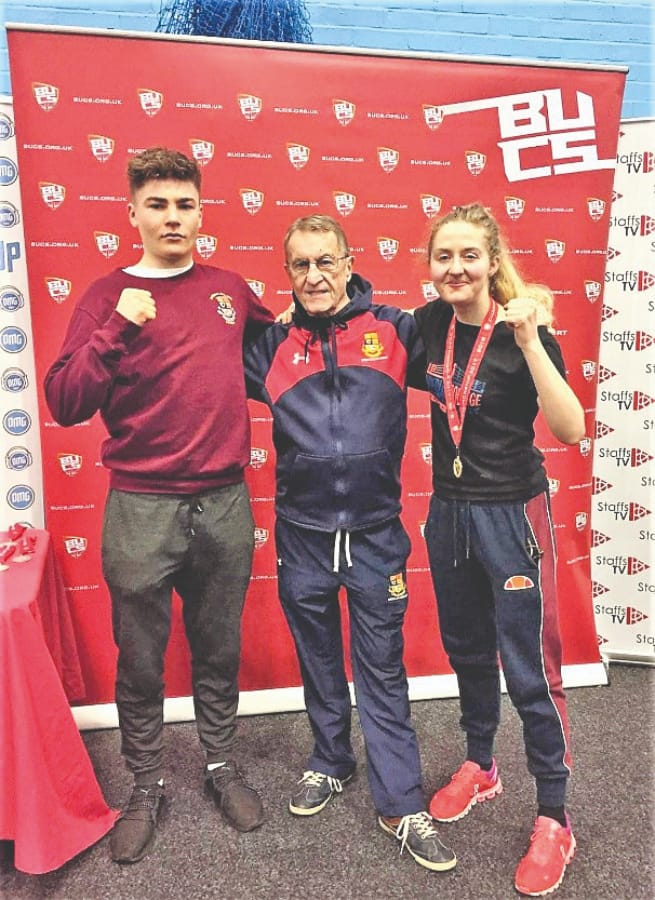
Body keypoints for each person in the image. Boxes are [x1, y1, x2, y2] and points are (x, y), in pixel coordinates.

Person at [44, 147, 274, 863]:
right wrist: (117, 327)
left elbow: (291, 354)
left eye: (184, 204)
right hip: (141, 505)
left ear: (200, 212)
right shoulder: (105, 296)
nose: (172, 217)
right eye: (158, 204)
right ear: (133, 213)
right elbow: (65, 400)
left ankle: (218, 764)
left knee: (218, 647)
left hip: (224, 501)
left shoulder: (230, 290)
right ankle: (145, 783)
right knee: (140, 659)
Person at [243, 215, 456, 872]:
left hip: (374, 539)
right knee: (317, 661)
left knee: (383, 670)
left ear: (348, 263)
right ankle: (330, 760)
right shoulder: (267, 347)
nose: (313, 276)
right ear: (287, 274)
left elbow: (470, 329)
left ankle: (399, 802)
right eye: (300, 265)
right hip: (300, 540)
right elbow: (194, 347)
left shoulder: (395, 330)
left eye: (325, 262)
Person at [413, 202, 585, 897]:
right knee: (464, 649)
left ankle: (554, 816)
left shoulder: (523, 330)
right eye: (442, 257)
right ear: (430, 267)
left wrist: (533, 337)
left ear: (490, 260)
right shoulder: (425, 324)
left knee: (530, 672)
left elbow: (570, 428)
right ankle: (481, 764)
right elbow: (359, 324)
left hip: (511, 514)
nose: (455, 268)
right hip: (447, 512)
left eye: (467, 256)